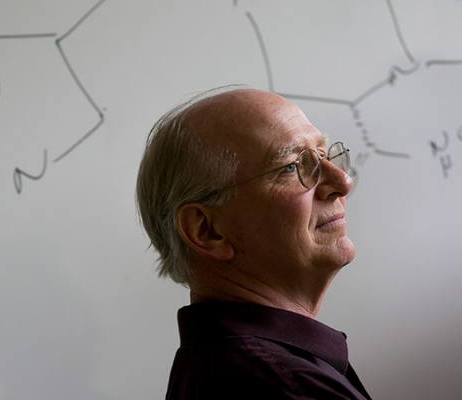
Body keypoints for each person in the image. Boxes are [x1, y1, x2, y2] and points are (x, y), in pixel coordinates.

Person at [136, 86, 372, 399]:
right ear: (207, 230)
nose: (343, 183)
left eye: (324, 155)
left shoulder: (226, 366)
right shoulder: (286, 387)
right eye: (291, 167)